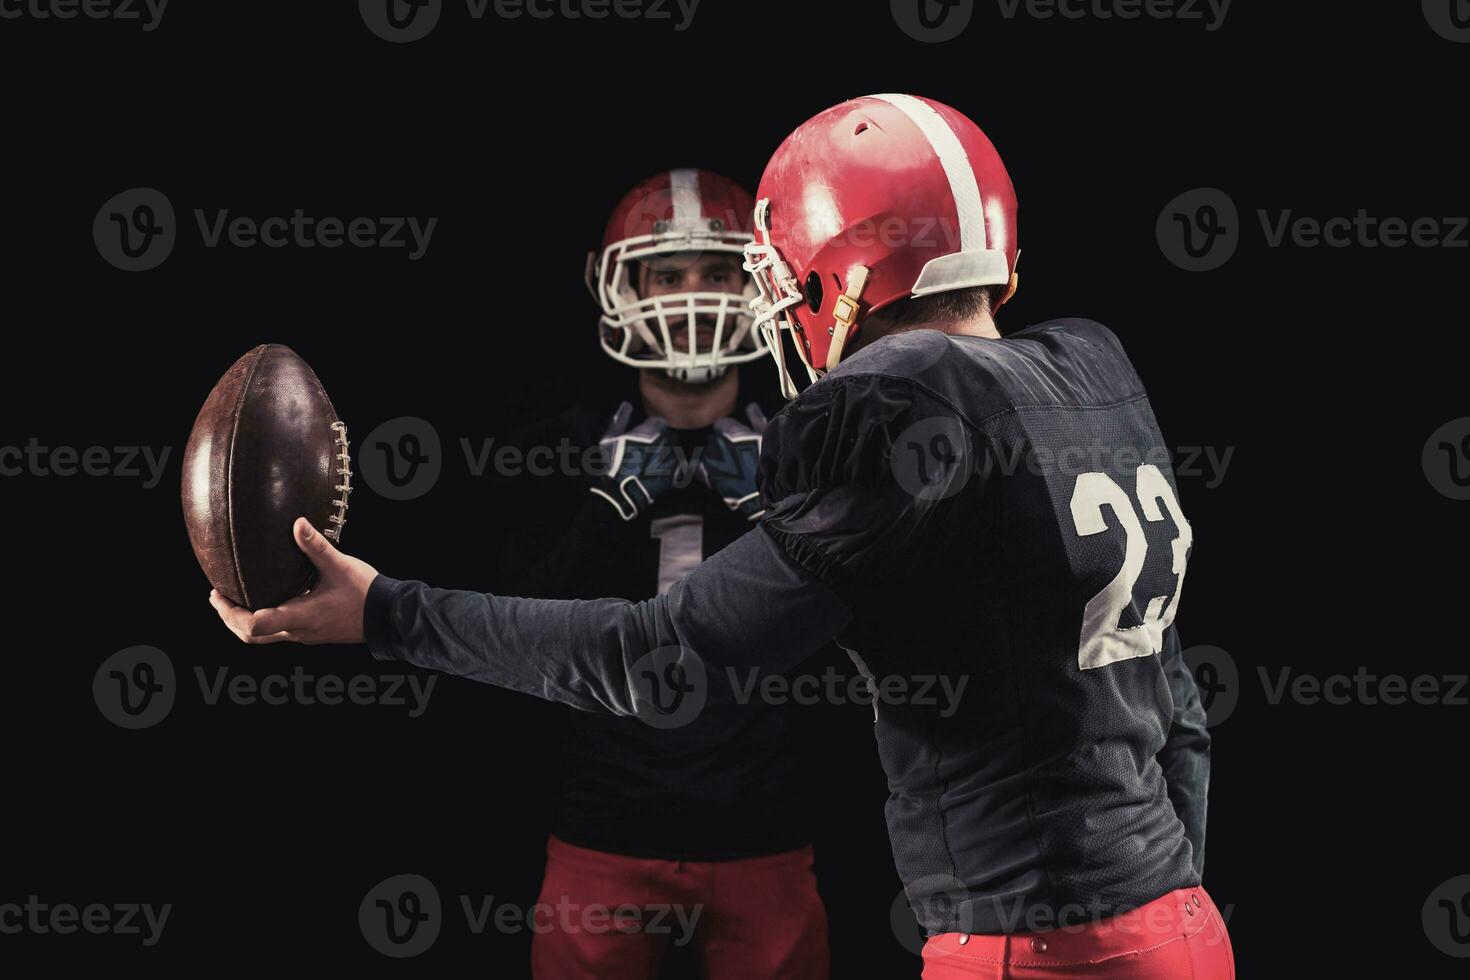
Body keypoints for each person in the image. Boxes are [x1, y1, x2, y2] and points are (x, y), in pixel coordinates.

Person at [211, 94, 1234, 979]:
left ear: (842, 283)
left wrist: (387, 610)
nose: (781, 313)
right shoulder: (1089, 371)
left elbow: (659, 658)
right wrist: (1157, 895)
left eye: (789, 285)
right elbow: (1176, 704)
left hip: (1034, 947)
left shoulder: (906, 410)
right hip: (1183, 925)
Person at [489, 168, 829, 979]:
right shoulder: (559, 442)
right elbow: (515, 640)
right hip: (603, 823)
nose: (691, 298)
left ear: (756, 286)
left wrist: (778, 519)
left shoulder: (810, 439)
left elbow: (863, 643)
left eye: (716, 273)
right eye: (667, 275)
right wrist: (605, 513)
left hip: (764, 826)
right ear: (621, 287)